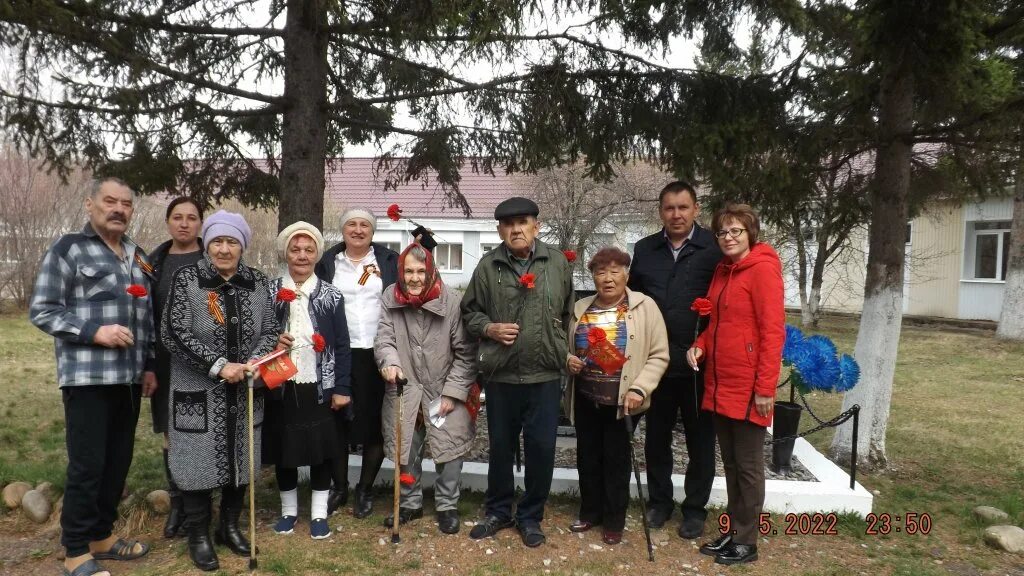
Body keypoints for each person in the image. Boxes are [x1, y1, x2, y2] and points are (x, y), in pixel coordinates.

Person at [30, 177, 155, 576]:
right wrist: (93, 332)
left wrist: (149, 364)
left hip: (129, 379)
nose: (118, 209)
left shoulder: (137, 255)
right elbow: (43, 309)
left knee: (118, 462)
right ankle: (75, 550)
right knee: (88, 464)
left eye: (125, 204)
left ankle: (102, 535)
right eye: (110, 201)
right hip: (87, 378)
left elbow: (146, 317)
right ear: (90, 204)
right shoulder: (68, 249)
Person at [161, 210, 279, 571]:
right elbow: (175, 331)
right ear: (207, 243)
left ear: (242, 246)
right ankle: (199, 534)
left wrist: (253, 364)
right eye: (217, 241)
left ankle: (229, 526)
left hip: (244, 390)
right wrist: (218, 365)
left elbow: (271, 330)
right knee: (196, 464)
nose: (224, 249)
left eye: (232, 242)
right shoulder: (187, 279)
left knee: (240, 461)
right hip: (198, 390)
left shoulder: (257, 282)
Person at [461, 196, 574, 548]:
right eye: (508, 224)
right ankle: (497, 510)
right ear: (499, 230)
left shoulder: (556, 263)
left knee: (541, 449)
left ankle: (530, 516)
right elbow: (469, 314)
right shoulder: (487, 266)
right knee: (500, 448)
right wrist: (491, 328)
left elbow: (568, 314)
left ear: (536, 226)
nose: (516, 229)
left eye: (523, 222)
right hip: (502, 375)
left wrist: (560, 351)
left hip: (544, 376)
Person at [686, 204, 785, 566]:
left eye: (736, 231)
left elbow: (772, 333)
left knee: (747, 465)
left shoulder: (762, 271)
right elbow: (719, 326)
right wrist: (700, 346)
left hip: (748, 386)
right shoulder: (723, 271)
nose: (728, 238)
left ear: (750, 234)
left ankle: (748, 540)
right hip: (720, 381)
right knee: (729, 462)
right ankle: (734, 528)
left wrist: (765, 388)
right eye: (722, 232)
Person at [626, 180, 722, 538]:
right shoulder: (646, 249)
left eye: (683, 207)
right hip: (656, 365)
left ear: (696, 209)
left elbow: (722, 306)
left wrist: (703, 343)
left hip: (699, 364)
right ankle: (660, 502)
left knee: (700, 441)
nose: (676, 214)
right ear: (661, 212)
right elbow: (633, 300)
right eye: (669, 208)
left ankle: (695, 509)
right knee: (656, 439)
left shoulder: (714, 249)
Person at [564, 247, 669, 545]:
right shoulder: (580, 307)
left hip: (623, 401)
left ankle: (613, 520)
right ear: (593, 276)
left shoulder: (644, 306)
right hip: (586, 398)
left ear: (627, 274)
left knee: (616, 460)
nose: (607, 279)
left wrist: (640, 388)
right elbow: (568, 346)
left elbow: (659, 355)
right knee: (587, 457)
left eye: (614, 271)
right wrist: (568, 359)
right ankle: (590, 512)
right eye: (600, 272)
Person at [375, 243, 477, 535]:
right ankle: (410, 503)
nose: (415, 277)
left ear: (431, 271)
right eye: (409, 271)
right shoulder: (389, 297)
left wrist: (452, 393)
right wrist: (390, 363)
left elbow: (466, 353)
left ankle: (447, 505)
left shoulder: (452, 301)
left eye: (421, 271)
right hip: (403, 387)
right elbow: (384, 339)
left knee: (451, 449)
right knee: (404, 447)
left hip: (443, 387)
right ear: (401, 272)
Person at [265, 222, 352, 539]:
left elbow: (342, 343)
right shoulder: (270, 293)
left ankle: (318, 513)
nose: (301, 256)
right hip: (281, 385)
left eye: (308, 250)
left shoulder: (331, 295)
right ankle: (288, 511)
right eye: (295, 249)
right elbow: (257, 338)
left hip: (320, 385)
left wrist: (342, 387)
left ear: (317, 254)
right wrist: (273, 343)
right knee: (284, 448)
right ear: (285, 253)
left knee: (321, 451)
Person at [313, 208, 399, 518]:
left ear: (373, 231)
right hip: (339, 351)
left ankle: (365, 488)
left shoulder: (390, 261)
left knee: (374, 423)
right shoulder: (327, 263)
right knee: (337, 421)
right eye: (352, 224)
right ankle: (340, 487)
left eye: (365, 225)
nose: (358, 230)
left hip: (379, 351)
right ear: (343, 229)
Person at [147, 196, 204, 539]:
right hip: (165, 361)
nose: (184, 223)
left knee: (197, 431)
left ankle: (200, 501)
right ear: (168, 222)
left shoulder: (212, 257)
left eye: (191, 218)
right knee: (170, 431)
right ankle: (178, 502)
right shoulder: (154, 261)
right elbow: (145, 316)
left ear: (200, 224)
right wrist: (149, 365)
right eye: (177, 217)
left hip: (201, 362)